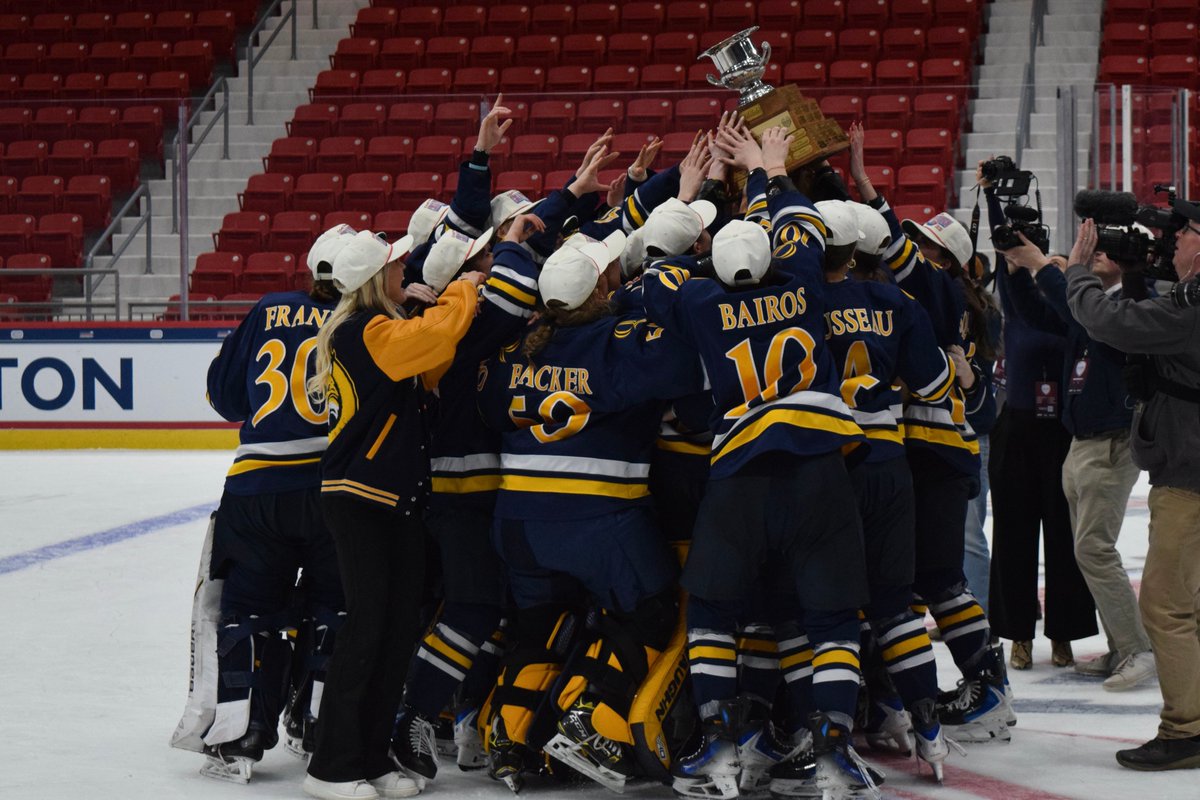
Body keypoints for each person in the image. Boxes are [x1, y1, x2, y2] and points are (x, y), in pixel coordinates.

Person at [645, 123, 877, 800]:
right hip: (819, 470)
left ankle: (717, 748)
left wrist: (690, 197)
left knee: (713, 612)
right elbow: (802, 224)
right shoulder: (803, 281)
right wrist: (768, 168)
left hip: (738, 475)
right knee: (830, 618)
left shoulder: (699, 299)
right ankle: (834, 753)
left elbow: (655, 268)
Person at [476, 230, 702, 793]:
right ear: (601, 287)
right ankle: (592, 718)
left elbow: (488, 409)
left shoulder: (517, 346)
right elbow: (687, 370)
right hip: (597, 517)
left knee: (538, 623)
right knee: (649, 610)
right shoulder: (619, 338)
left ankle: (509, 734)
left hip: (517, 519)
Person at [301, 230, 484, 800]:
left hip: (394, 497)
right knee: (366, 631)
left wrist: (426, 308)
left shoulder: (382, 328)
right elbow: (439, 337)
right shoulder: (365, 331)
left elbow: (433, 361)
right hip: (361, 498)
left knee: (396, 631)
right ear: (375, 280)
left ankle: (371, 757)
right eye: (395, 264)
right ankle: (330, 767)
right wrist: (463, 290)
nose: (405, 267)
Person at [176, 227, 353, 784]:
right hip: (334, 491)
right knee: (336, 609)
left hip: (256, 493)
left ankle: (241, 736)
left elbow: (224, 398)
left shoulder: (269, 308)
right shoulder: (365, 318)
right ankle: (320, 726)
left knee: (248, 611)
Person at [389, 214, 544, 782]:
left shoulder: (431, 323)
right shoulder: (460, 329)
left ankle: (455, 716)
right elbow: (512, 294)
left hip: (444, 492)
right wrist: (512, 246)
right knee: (474, 608)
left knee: (475, 608)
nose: (489, 266)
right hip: (464, 494)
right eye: (480, 260)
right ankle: (415, 717)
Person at [1065, 212, 1200, 771]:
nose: (1175, 241)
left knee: (1166, 606)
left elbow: (1112, 322)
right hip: (1189, 470)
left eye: (1185, 233)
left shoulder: (1192, 308)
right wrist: (1139, 273)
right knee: (1189, 603)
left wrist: (1078, 273)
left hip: (1189, 478)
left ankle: (1186, 730)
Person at [1001, 225, 1152, 691]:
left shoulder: (1129, 305)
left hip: (1111, 442)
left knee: (1093, 549)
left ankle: (1138, 649)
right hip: (1081, 442)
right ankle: (1122, 646)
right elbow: (1032, 312)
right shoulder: (1089, 308)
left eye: (1108, 250)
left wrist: (1047, 267)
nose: (1096, 253)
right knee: (1089, 552)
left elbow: (1078, 309)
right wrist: (1016, 269)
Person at [984, 173, 1098, 671]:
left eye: (1056, 267)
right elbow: (1003, 250)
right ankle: (1017, 635)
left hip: (1062, 434)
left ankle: (1065, 633)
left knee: (1064, 537)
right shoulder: (1020, 304)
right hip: (1017, 429)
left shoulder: (1073, 316)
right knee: (1013, 534)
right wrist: (993, 196)